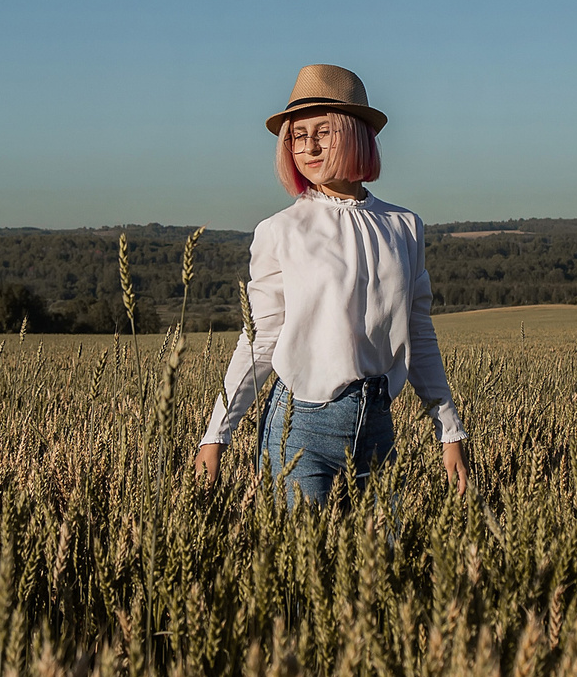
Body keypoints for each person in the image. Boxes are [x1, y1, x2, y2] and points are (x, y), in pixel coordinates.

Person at [194, 65, 472, 503]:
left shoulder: (404, 227)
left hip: (378, 427)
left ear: (356, 133)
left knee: (385, 567)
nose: (309, 146)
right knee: (303, 570)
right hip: (299, 429)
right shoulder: (280, 231)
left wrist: (448, 428)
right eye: (297, 135)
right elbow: (259, 340)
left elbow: (418, 333)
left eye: (323, 131)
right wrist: (216, 434)